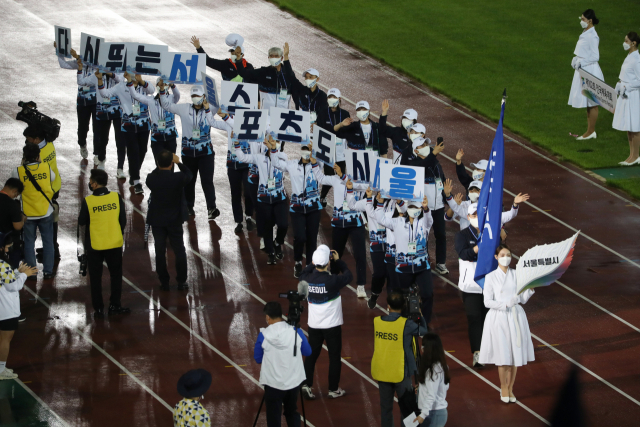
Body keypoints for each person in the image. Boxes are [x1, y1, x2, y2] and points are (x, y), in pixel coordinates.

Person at [453, 200, 527, 368]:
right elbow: (464, 254)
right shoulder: (462, 235)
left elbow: (500, 253)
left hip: (490, 285)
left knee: (490, 318)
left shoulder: (492, 235)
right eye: (473, 215)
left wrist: (501, 233)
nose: (476, 217)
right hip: (470, 286)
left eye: (479, 215)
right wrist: (479, 248)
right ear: (468, 216)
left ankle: (492, 349)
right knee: (474, 318)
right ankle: (477, 352)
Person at [479, 244, 535, 403]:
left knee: (514, 354)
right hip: (499, 318)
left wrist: (530, 289)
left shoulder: (517, 274)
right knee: (504, 355)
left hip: (515, 317)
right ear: (496, 257)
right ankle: (503, 387)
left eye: (508, 254)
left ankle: (511, 388)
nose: (506, 257)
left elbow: (522, 299)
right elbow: (487, 302)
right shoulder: (490, 277)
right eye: (502, 254)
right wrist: (504, 305)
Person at [298, 245, 352, 400]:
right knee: (334, 357)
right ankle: (333, 389)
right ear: (328, 262)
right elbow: (349, 275)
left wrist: (312, 264)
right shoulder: (333, 281)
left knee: (311, 356)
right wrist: (339, 262)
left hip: (314, 325)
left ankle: (306, 385)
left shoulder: (306, 279)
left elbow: (302, 273)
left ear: (315, 262)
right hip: (332, 326)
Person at [160, 87, 221, 220]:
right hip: (188, 153)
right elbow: (166, 105)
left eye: (198, 95)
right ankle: (188, 206)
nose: (195, 97)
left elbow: (219, 104)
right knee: (189, 181)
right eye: (193, 95)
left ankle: (211, 208)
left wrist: (211, 94)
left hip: (206, 153)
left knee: (207, 181)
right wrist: (162, 90)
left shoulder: (209, 109)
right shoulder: (183, 108)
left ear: (203, 96)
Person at [374, 193, 435, 323]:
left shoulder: (424, 223)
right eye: (411, 206)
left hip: (422, 267)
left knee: (427, 294)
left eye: (416, 207)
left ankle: (425, 323)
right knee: (401, 297)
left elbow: (429, 220)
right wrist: (379, 204)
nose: (413, 209)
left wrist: (426, 208)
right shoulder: (398, 222)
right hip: (403, 268)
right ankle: (404, 322)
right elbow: (381, 220)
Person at [78, 169, 129, 317]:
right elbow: (123, 220)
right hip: (114, 242)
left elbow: (81, 221)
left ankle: (99, 309)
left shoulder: (88, 201)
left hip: (95, 245)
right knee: (116, 275)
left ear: (93, 184)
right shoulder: (116, 197)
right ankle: (115, 305)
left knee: (95, 278)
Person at [371, 291, 428, 427]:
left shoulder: (377, 322)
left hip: (382, 371)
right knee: (407, 408)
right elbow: (424, 331)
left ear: (388, 306)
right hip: (401, 372)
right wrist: (419, 314)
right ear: (404, 306)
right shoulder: (406, 324)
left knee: (385, 409)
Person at [313, 162, 369, 297]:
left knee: (360, 255)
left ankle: (361, 286)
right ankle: (332, 280)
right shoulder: (335, 179)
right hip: (339, 223)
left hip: (356, 223)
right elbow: (320, 178)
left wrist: (343, 176)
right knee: (336, 254)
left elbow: (355, 185)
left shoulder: (362, 183)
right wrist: (315, 164)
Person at [96, 70, 155, 194]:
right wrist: (100, 80)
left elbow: (152, 90)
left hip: (144, 124)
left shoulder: (144, 85)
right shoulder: (120, 86)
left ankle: (134, 172)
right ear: (125, 74)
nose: (134, 74)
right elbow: (104, 93)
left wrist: (142, 81)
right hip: (128, 125)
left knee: (143, 150)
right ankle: (137, 181)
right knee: (133, 151)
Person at [254, 302, 312, 427]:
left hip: (272, 384)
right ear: (281, 315)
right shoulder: (296, 332)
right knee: (292, 412)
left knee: (273, 417)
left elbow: (258, 359)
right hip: (293, 383)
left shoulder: (263, 335)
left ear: (268, 317)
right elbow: (308, 351)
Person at [235, 136, 288, 264]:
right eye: (271, 142)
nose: (274, 144)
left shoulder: (283, 157)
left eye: (276, 142)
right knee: (267, 227)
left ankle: (278, 242)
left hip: (279, 197)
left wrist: (274, 151)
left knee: (283, 224)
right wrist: (236, 145)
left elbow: (284, 167)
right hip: (264, 198)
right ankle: (271, 253)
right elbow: (242, 158)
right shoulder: (259, 157)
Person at [272, 144, 321, 277]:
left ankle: (309, 266)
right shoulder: (292, 164)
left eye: (309, 150)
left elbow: (329, 159)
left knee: (312, 239)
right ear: (301, 151)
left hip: (314, 208)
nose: (307, 152)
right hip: (297, 208)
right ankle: (298, 261)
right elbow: (276, 163)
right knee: (300, 237)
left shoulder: (317, 165)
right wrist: (273, 150)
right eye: (305, 149)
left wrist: (316, 150)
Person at [146, 151, 192, 291]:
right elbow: (189, 175)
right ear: (171, 163)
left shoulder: (151, 179)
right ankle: (181, 281)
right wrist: (179, 162)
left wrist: (161, 163)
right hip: (175, 220)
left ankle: (164, 281)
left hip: (157, 221)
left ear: (157, 163)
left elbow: (156, 172)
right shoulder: (178, 178)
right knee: (179, 251)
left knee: (159, 251)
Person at [402, 137, 448, 275]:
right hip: (422, 207)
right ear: (416, 150)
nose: (427, 145)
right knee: (423, 235)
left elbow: (442, 180)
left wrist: (447, 197)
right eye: (423, 144)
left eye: (427, 143)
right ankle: (424, 260)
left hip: (438, 206)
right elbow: (424, 165)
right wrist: (434, 154)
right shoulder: (413, 163)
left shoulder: (435, 162)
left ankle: (441, 263)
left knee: (441, 235)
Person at [12, 144, 55, 280]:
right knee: (48, 242)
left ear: (24, 156)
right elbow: (52, 179)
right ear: (38, 156)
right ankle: (48, 272)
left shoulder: (18, 171)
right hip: (46, 212)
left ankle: (31, 273)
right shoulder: (47, 168)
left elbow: (14, 185)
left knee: (29, 242)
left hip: (28, 214)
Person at [76, 58, 125, 175]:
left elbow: (121, 80)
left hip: (118, 112)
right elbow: (81, 82)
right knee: (103, 138)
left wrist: (111, 74)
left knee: (121, 140)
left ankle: (120, 168)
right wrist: (79, 69)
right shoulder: (97, 75)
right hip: (103, 111)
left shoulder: (118, 72)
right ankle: (102, 159)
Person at [346, 186, 392, 309]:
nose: (380, 193)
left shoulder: (394, 203)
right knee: (379, 274)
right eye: (379, 191)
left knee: (391, 274)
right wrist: (350, 190)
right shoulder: (369, 202)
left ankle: (391, 302)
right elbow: (352, 205)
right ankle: (375, 294)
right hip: (376, 245)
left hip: (392, 245)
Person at [0, 233, 37, 380]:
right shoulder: (2, 264)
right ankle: (1, 370)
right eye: (6, 247)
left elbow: (5, 278)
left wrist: (16, 272)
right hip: (6, 309)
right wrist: (24, 275)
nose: (8, 251)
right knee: (5, 340)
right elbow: (13, 286)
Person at [23, 126, 62, 260]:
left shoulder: (39, 155)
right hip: (55, 185)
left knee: (50, 219)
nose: (27, 141)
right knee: (53, 217)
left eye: (28, 139)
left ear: (36, 139)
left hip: (45, 190)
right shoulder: (49, 144)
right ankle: (51, 247)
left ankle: (53, 250)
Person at [53, 43, 97, 159]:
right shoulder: (79, 63)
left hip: (97, 101)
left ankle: (98, 153)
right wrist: (59, 51)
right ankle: (82, 144)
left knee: (98, 128)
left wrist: (77, 57)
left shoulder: (98, 64)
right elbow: (64, 64)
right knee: (83, 127)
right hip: (82, 100)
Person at [569, 10, 603, 140]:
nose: (581, 21)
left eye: (583, 19)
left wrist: (581, 61)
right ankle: (589, 131)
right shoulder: (586, 32)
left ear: (590, 21)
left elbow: (595, 56)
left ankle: (591, 131)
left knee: (592, 102)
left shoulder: (593, 36)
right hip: (584, 69)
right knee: (588, 103)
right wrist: (576, 59)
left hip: (590, 71)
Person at [130, 78, 180, 161]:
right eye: (159, 84)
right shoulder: (151, 100)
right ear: (157, 86)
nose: (162, 86)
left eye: (165, 84)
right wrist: (130, 82)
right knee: (159, 164)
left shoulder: (172, 98)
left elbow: (177, 94)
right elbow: (135, 95)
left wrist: (172, 85)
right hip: (157, 138)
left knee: (170, 164)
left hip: (171, 137)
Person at [315, 88, 349, 207]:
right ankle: (322, 196)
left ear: (340, 99)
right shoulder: (323, 113)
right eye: (329, 97)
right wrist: (337, 128)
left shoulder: (345, 114)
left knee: (340, 177)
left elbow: (346, 132)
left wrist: (334, 131)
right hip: (327, 151)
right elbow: (321, 131)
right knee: (329, 178)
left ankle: (342, 201)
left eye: (334, 97)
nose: (332, 99)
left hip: (340, 152)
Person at [236, 43, 294, 109]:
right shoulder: (263, 72)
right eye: (271, 56)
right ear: (268, 58)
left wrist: (286, 56)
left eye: (276, 56)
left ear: (281, 58)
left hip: (283, 115)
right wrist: (238, 59)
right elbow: (243, 73)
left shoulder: (288, 74)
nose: (274, 58)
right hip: (266, 114)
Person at [613, 32, 640, 165]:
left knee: (635, 126)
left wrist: (627, 87)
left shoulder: (636, 59)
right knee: (629, 126)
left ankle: (636, 156)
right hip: (625, 94)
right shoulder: (629, 56)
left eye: (626, 41)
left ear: (633, 43)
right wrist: (620, 85)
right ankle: (631, 155)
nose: (624, 43)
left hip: (633, 96)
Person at [414, 333, 450, 427]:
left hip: (433, 414)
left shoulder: (433, 370)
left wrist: (423, 415)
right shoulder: (441, 366)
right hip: (435, 413)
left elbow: (431, 395)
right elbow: (442, 388)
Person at [0, 179, 26, 268]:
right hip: (8, 240)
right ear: (15, 191)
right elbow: (17, 226)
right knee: (13, 263)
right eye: (16, 195)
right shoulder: (12, 204)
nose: (15, 197)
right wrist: (23, 219)